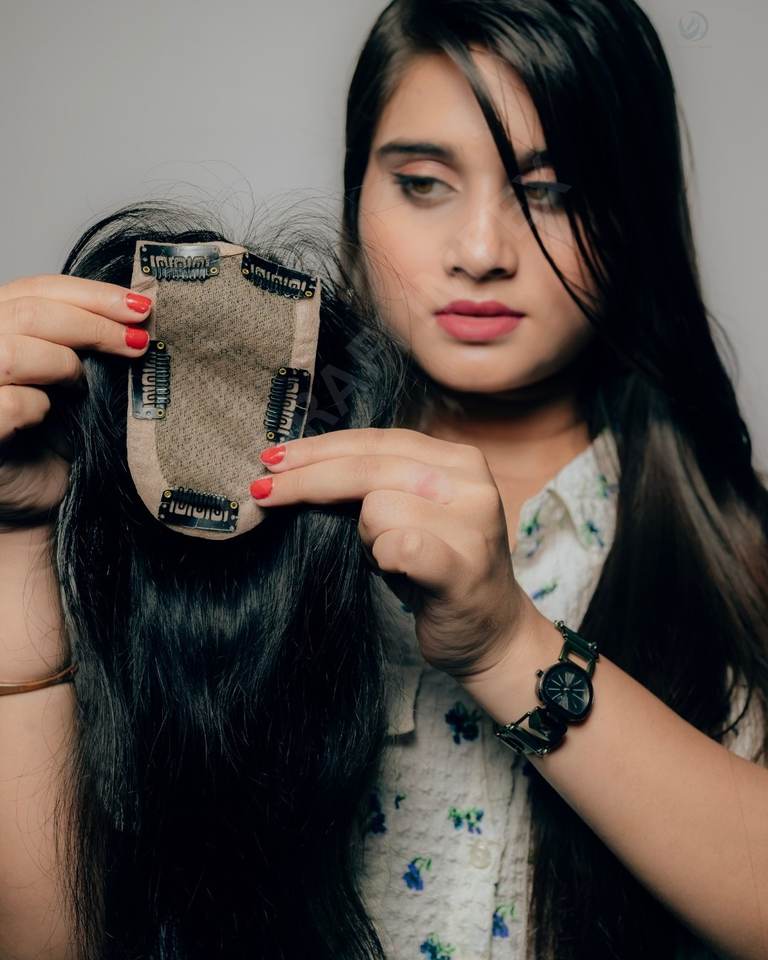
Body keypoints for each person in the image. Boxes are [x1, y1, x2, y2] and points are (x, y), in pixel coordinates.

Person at [0, 1, 766, 958]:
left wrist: (508, 647)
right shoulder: (211, 507)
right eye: (423, 183)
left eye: (554, 192)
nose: (481, 252)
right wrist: (19, 541)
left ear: (637, 211)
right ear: (357, 192)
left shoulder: (741, 546)